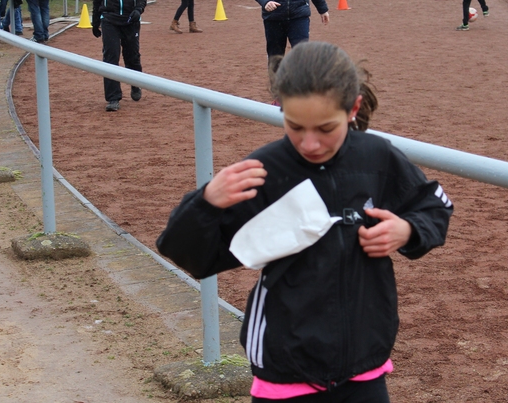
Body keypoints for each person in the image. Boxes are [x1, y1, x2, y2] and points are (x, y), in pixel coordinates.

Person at [156, 41, 453, 402]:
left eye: (326, 128)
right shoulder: (264, 172)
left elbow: (434, 206)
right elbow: (192, 256)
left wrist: (408, 230)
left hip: (364, 362)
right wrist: (206, 203)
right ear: (280, 108)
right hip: (286, 369)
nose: (310, 144)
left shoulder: (376, 157)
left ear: (353, 108)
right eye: (295, 126)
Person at [92, 0, 148, 112]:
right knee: (110, 57)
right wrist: (95, 21)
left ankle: (135, 83)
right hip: (109, 18)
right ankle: (113, 97)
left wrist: (138, 9)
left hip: (130, 17)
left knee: (132, 55)